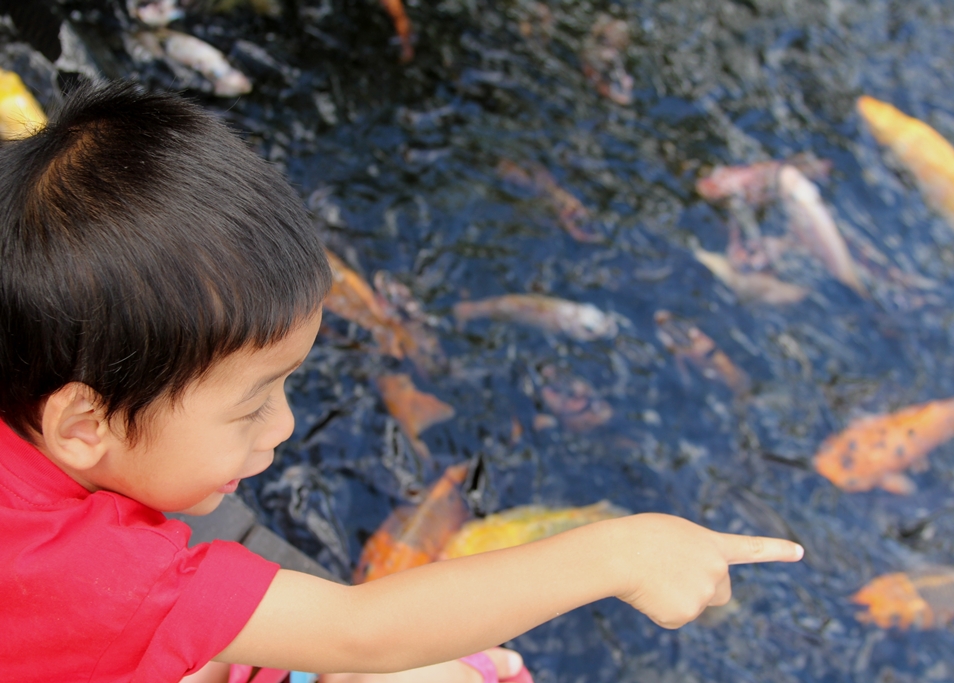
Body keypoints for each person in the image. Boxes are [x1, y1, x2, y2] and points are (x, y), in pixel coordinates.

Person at [0, 82, 804, 683]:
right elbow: (359, 632)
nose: (281, 427)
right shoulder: (87, 571)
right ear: (83, 423)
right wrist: (624, 550)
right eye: (251, 404)